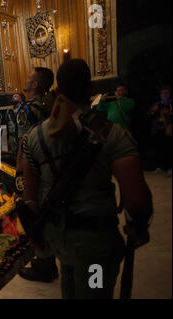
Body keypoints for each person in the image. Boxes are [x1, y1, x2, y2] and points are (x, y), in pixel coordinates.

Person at [19, 59, 152, 298]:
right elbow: (136, 200)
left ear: (58, 91)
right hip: (95, 246)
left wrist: (38, 235)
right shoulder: (114, 134)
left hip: (59, 240)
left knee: (70, 287)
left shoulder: (32, 138)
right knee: (94, 292)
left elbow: (28, 198)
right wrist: (139, 227)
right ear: (91, 89)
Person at [18, 67, 58, 282]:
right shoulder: (51, 103)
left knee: (32, 212)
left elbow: (26, 143)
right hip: (52, 166)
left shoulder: (30, 108)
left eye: (28, 77)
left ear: (35, 85)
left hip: (35, 168)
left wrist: (20, 172)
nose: (25, 79)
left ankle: (45, 262)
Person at [148, 85, 172, 177]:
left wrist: (169, 113)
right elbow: (148, 115)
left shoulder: (170, 104)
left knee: (169, 149)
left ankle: (170, 168)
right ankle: (160, 167)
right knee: (158, 149)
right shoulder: (157, 104)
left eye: (167, 93)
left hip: (168, 129)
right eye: (163, 93)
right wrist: (153, 111)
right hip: (157, 129)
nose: (165, 95)